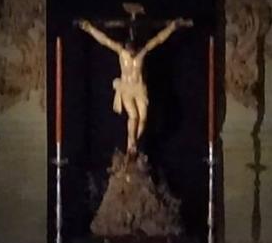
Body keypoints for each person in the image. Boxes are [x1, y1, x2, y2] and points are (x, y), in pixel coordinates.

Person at [77, 15, 191, 155]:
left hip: (139, 89)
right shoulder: (121, 52)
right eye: (129, 51)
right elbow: (104, 40)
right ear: (126, 48)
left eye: (133, 52)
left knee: (142, 118)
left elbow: (159, 40)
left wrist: (172, 27)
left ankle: (132, 144)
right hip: (126, 88)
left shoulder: (141, 54)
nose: (131, 55)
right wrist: (89, 29)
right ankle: (131, 145)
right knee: (133, 116)